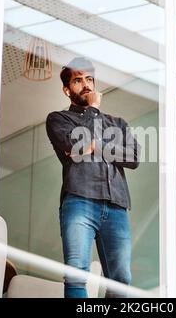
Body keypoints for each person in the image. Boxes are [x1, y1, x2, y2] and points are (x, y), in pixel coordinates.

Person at [46, 57, 140, 298]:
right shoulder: (58, 119)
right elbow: (74, 143)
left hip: (116, 205)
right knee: (77, 274)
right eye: (78, 80)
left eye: (89, 79)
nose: (86, 85)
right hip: (79, 201)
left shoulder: (117, 123)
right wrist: (93, 111)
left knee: (121, 280)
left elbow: (134, 157)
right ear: (67, 90)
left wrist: (95, 145)